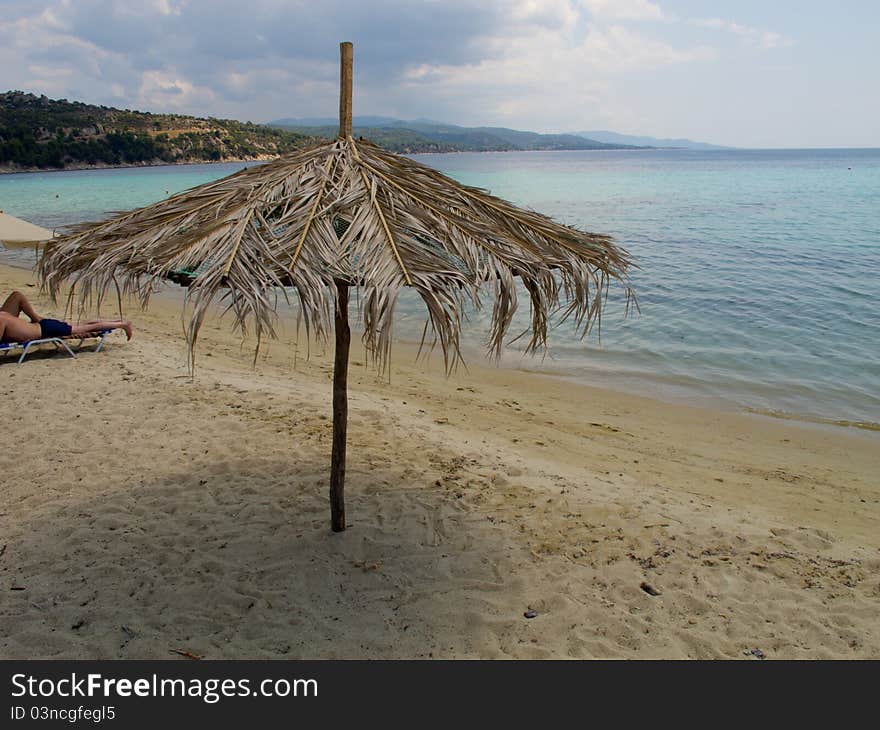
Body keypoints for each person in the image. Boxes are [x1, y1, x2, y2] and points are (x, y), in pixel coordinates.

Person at [0, 290, 133, 344]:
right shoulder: (3, 316)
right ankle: (117, 322)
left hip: (48, 330)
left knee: (87, 327)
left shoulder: (2, 319)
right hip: (44, 326)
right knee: (82, 325)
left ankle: (122, 324)